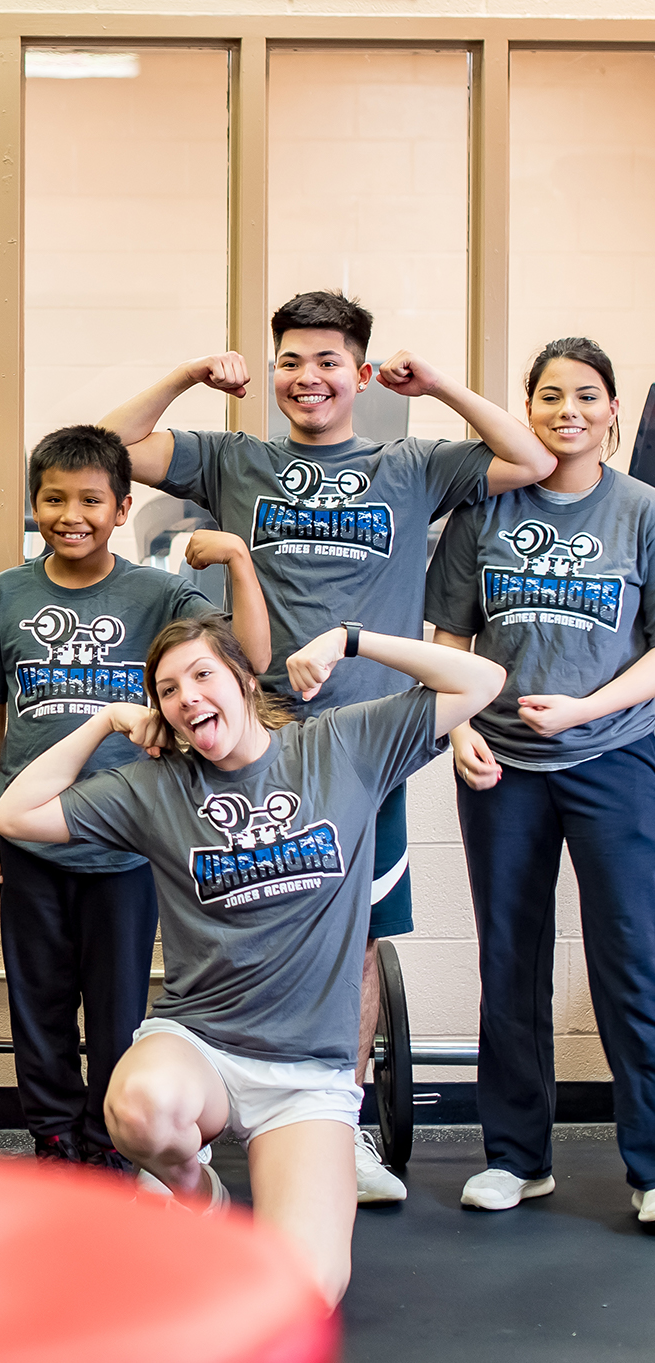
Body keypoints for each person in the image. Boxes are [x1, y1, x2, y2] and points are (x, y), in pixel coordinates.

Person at [97, 289, 554, 1201]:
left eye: (328, 361)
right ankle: (195, 1126)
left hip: (365, 747)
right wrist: (190, 374)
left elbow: (532, 455)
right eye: (292, 362)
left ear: (358, 372)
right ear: (272, 374)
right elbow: (111, 446)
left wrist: (440, 386)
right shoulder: (235, 457)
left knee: (357, 940)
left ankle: (337, 1125)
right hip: (242, 734)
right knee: (214, 919)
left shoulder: (410, 462)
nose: (308, 378)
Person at [0, 616, 504, 1305]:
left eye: (202, 675)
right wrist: (104, 722)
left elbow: (482, 679)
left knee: (305, 1291)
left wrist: (351, 639)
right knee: (139, 1109)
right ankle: (196, 1194)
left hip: (305, 1074)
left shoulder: (342, 745)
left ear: (240, 678)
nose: (187, 696)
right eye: (167, 689)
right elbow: (13, 813)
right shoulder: (156, 789)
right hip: (201, 1045)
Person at [0, 423, 270, 1166]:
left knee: (119, 1006)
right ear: (33, 505)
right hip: (30, 838)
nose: (72, 514)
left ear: (122, 508)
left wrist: (239, 562)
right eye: (54, 498)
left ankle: (108, 1142)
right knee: (38, 1003)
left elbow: (249, 659)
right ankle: (55, 1138)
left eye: (91, 499)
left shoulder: (158, 594)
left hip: (128, 846)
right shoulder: (3, 596)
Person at [425, 337, 655, 1222]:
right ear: (526, 410)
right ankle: (517, 1157)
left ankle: (647, 1165)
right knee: (508, 956)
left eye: (585, 396)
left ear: (610, 413)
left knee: (631, 958)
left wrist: (588, 711)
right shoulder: (483, 512)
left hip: (616, 755)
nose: (567, 410)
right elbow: (448, 639)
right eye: (549, 395)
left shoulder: (640, 509)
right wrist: (452, 733)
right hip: (500, 764)